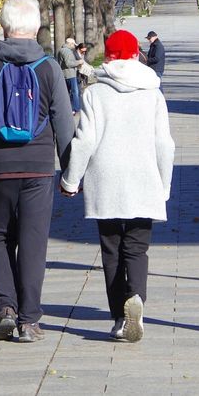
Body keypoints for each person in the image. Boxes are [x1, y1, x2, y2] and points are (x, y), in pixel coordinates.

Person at [0, 0, 75, 343]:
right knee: (34, 243)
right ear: (36, 27)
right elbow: (63, 123)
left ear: (4, 26)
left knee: (0, 237)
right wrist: (70, 173)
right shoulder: (49, 67)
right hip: (38, 168)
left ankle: (5, 309)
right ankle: (29, 320)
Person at [59, 30, 174, 343]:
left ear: (108, 57)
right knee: (136, 248)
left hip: (105, 179)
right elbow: (164, 144)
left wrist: (70, 180)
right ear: (137, 55)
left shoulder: (95, 94)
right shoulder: (153, 94)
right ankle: (136, 298)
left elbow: (84, 142)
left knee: (111, 251)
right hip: (144, 179)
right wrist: (164, 185)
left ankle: (119, 318)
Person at [58, 37, 83, 113]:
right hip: (70, 74)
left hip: (66, 74)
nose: (74, 46)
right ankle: (74, 108)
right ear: (70, 44)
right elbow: (68, 63)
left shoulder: (62, 50)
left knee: (68, 92)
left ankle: (69, 108)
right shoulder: (67, 51)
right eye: (73, 45)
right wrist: (79, 62)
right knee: (74, 92)